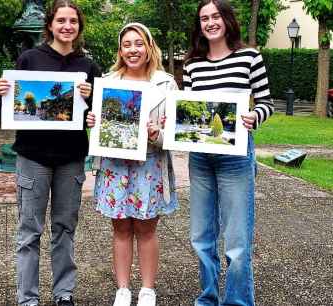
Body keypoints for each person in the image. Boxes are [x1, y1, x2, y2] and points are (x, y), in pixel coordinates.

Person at [0, 1, 101, 305]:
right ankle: (27, 298)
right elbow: (6, 111)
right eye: (61, 20)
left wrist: (93, 98)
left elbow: (97, 116)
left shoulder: (88, 67)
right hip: (33, 157)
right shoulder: (28, 59)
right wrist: (3, 94)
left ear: (79, 27)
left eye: (73, 21)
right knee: (29, 231)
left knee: (65, 228)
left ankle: (63, 294)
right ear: (50, 25)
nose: (67, 26)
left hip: (71, 159)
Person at [182, 1, 274, 305]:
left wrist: (253, 117)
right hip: (200, 156)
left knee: (237, 241)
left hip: (236, 156)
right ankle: (207, 299)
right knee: (200, 237)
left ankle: (237, 301)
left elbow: (266, 103)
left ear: (226, 19)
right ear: (199, 24)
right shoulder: (192, 63)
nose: (210, 22)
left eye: (215, 16)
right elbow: (188, 109)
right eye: (204, 18)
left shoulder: (250, 56)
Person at [86, 23, 179, 306]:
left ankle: (148, 290)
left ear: (149, 47)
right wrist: (93, 123)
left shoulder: (166, 83)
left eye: (138, 43)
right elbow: (102, 127)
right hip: (115, 167)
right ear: (120, 50)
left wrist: (158, 134)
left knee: (146, 229)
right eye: (127, 44)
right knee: (121, 229)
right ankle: (123, 290)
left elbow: (175, 134)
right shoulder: (108, 81)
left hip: (150, 166)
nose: (133, 50)